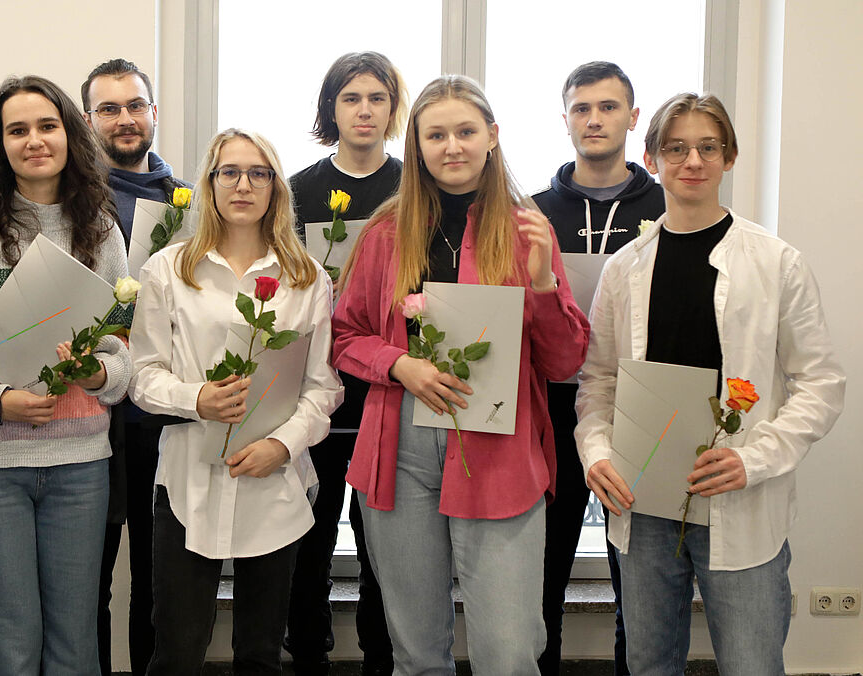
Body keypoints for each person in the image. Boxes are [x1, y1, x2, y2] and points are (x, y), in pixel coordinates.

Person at [574, 92, 845, 676]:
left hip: (740, 495)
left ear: (730, 157)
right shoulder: (624, 267)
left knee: (751, 663)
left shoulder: (777, 263)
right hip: (642, 502)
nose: (691, 160)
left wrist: (756, 459)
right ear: (652, 158)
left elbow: (821, 383)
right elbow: (597, 384)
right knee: (648, 663)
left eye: (707, 146)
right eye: (676, 148)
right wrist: (596, 454)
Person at [331, 75, 590, 675]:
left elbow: (564, 361)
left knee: (508, 651)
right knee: (417, 653)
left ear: (492, 137)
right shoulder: (383, 233)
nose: (453, 146)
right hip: (399, 452)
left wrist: (545, 284)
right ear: (417, 145)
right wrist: (398, 363)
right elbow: (344, 336)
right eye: (436, 134)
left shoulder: (529, 229)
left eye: (466, 131)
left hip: (498, 452)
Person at [0, 75, 130, 675]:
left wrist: (94, 373)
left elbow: (128, 357)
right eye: (17, 130)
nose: (34, 140)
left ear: (71, 135)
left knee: (73, 644)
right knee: (3, 646)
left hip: (81, 467)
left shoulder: (102, 230)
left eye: (47, 125)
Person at [128, 128, 343, 674]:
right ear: (210, 182)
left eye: (258, 173)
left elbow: (323, 388)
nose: (243, 185)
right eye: (229, 172)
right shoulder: (168, 270)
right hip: (185, 482)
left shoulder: (307, 278)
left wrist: (282, 444)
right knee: (176, 650)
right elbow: (141, 376)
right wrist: (196, 398)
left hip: (275, 482)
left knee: (261, 654)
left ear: (275, 187)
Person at [532, 61, 664, 676]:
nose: (594, 119)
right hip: (549, 406)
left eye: (608, 107)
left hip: (636, 405)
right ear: (565, 121)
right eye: (582, 108)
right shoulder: (531, 213)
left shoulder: (668, 207)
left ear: (633, 119)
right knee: (543, 568)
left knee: (637, 574)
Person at [284, 50, 406, 676]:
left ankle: (381, 657)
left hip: (394, 392)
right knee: (310, 538)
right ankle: (308, 652)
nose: (364, 110)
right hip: (317, 395)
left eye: (377, 98)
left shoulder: (416, 187)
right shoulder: (297, 191)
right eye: (351, 98)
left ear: (393, 109)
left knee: (385, 546)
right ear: (331, 108)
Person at [81, 57, 191, 676]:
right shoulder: (71, 201)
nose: (125, 119)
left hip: (162, 412)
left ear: (153, 113)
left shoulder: (191, 205)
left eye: (135, 106)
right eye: (109, 108)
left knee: (158, 571)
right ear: (88, 119)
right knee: (88, 574)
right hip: (89, 408)